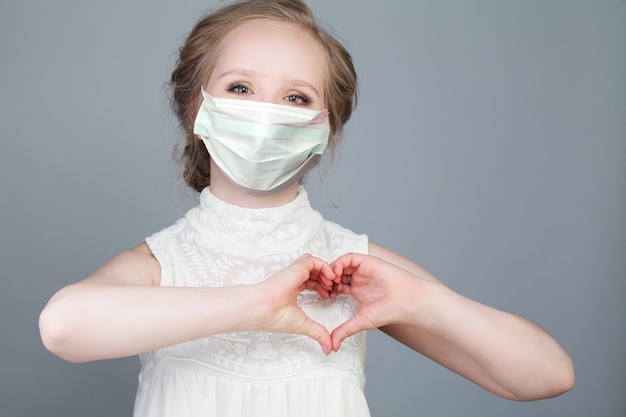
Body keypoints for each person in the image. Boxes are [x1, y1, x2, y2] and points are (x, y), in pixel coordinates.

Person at [38, 0, 575, 416]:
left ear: (325, 129)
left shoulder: (357, 268)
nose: (267, 113)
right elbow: (63, 326)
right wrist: (254, 304)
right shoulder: (158, 265)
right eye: (241, 87)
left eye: (296, 97)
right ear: (197, 110)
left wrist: (424, 301)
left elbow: (546, 375)